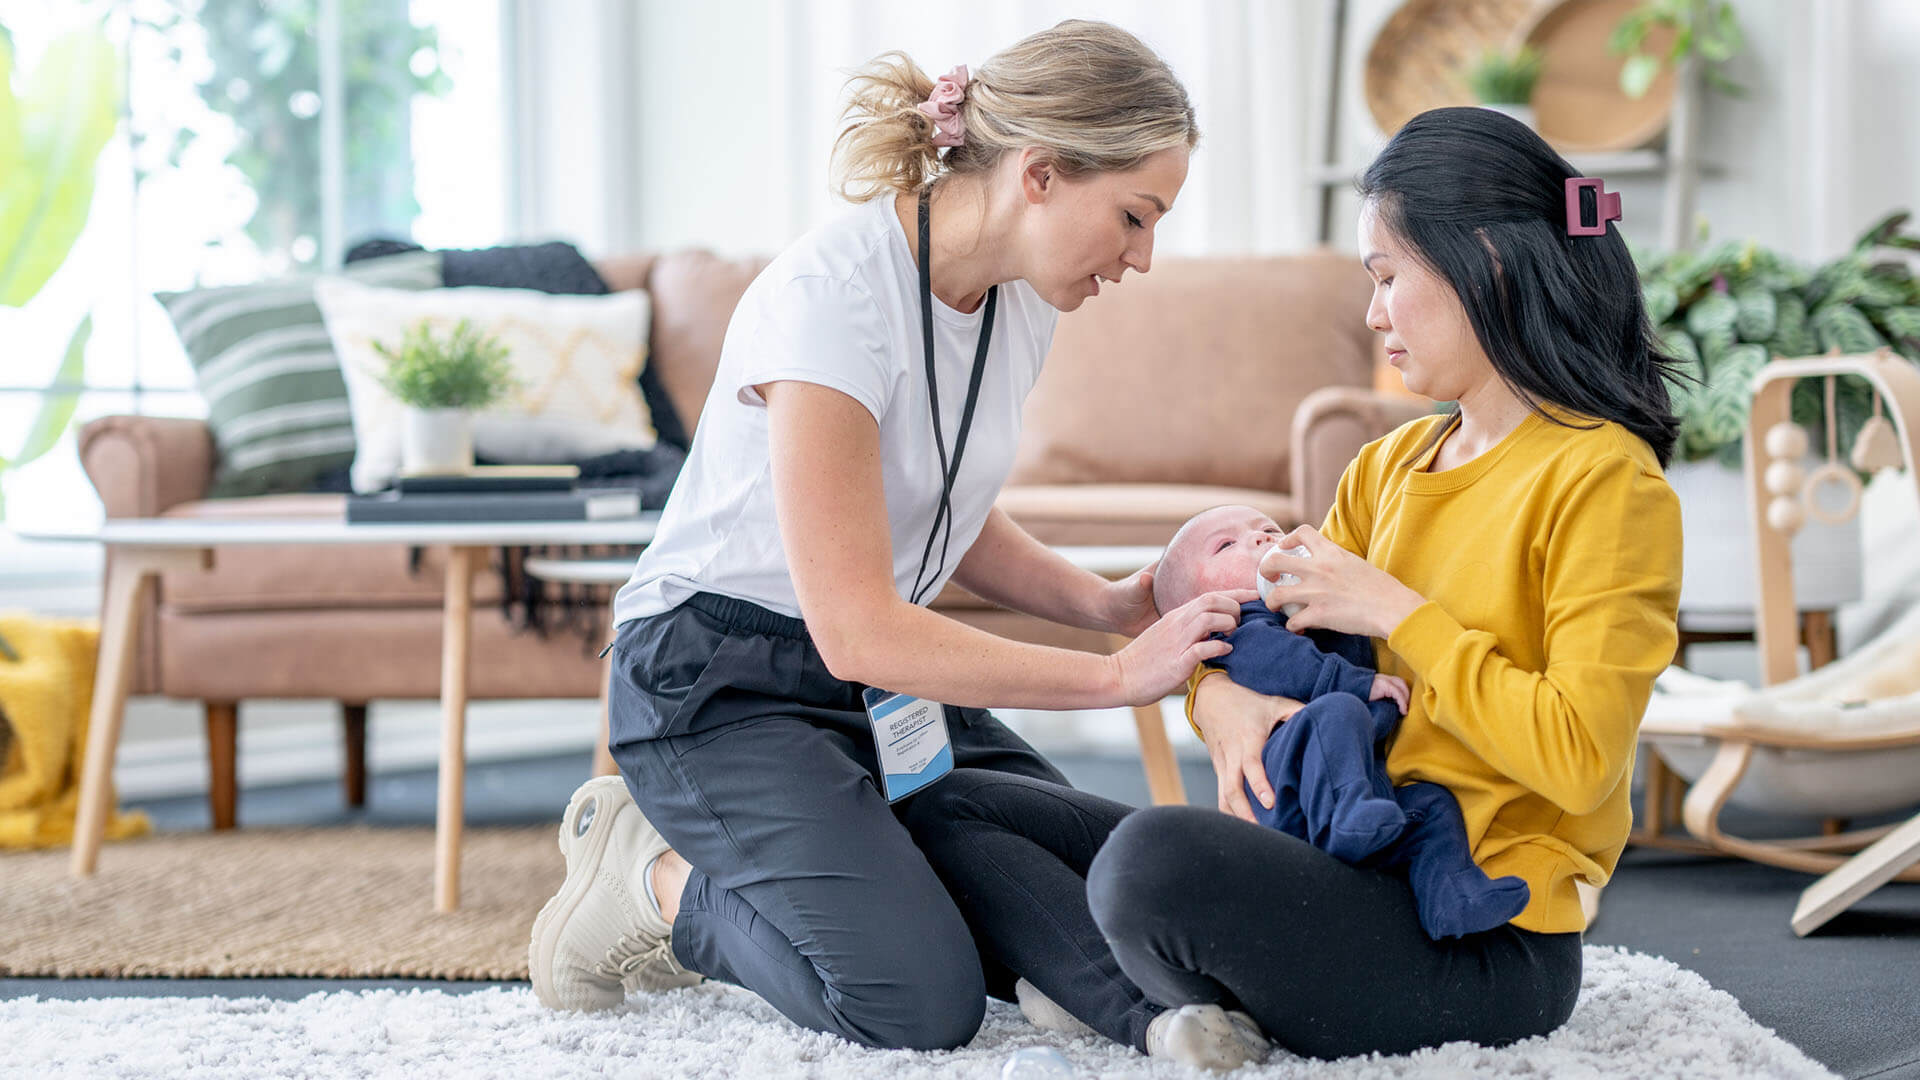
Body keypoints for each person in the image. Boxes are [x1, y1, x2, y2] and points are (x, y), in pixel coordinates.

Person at [524, 20, 1266, 1068]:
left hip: (876, 692)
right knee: (914, 1000)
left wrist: (1106, 602)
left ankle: (876, 864)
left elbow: (939, 501)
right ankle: (650, 884)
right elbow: (859, 629)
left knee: (1110, 872)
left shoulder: (1024, 302)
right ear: (1042, 175)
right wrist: (1115, 675)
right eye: (1135, 217)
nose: (1141, 257)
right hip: (719, 685)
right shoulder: (833, 303)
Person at [1085, 106, 1687, 1061]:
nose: (1373, 314)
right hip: (1348, 865)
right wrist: (1218, 696)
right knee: (997, 806)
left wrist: (1400, 613)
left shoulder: (1608, 484)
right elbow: (1268, 631)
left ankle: (1135, 999)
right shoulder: (1390, 464)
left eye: (1387, 277)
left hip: (1483, 939)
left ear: (1484, 261)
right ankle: (1174, 1004)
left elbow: (1580, 756)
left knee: (1144, 864)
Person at [1154, 504, 1531, 939]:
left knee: (1431, 804)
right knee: (1338, 709)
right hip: (1291, 794)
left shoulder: (1314, 612)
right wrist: (1358, 684)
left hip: (1367, 797)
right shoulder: (1240, 628)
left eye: (1268, 529)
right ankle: (1349, 817)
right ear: (1198, 607)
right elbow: (1283, 666)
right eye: (1225, 545)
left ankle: (1451, 897)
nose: (1259, 539)